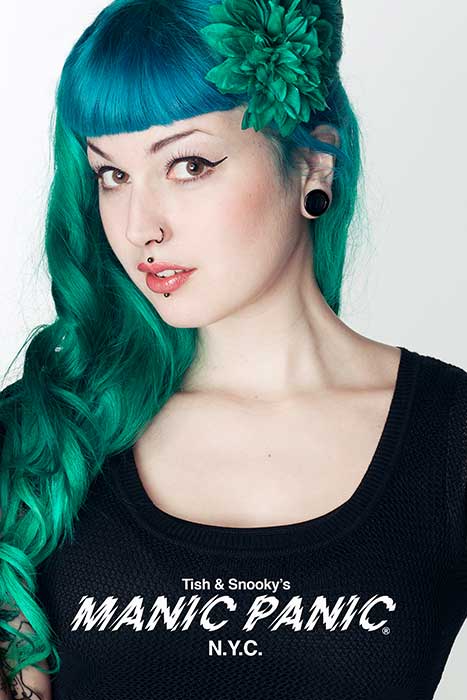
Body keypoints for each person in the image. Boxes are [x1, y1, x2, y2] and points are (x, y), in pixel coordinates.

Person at [1, 0, 466, 698]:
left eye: (188, 164)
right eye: (112, 175)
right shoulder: (42, 438)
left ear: (313, 162)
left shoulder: (450, 436)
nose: (140, 227)